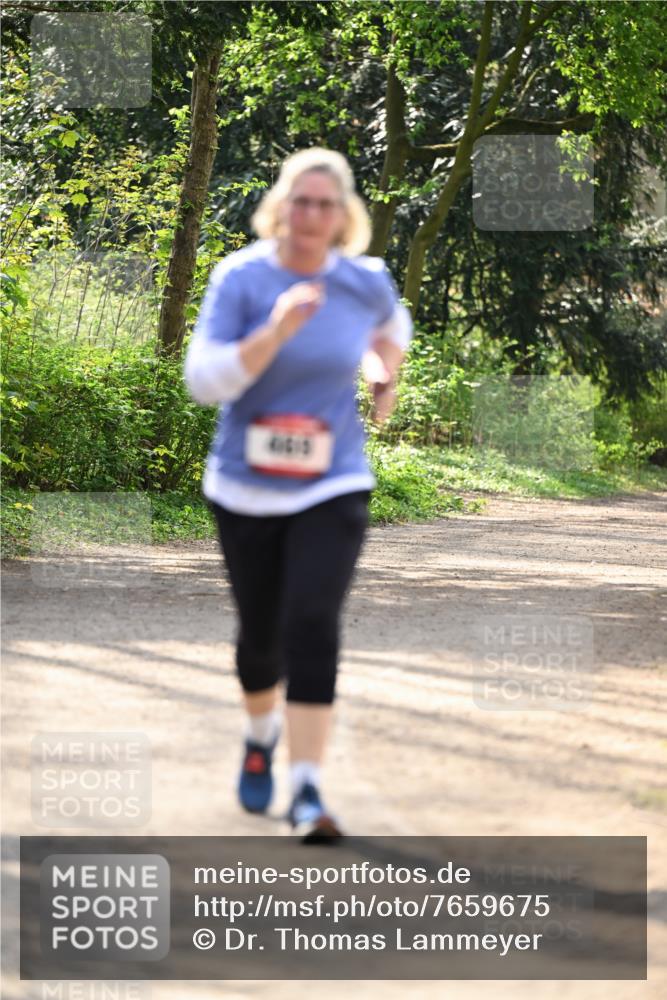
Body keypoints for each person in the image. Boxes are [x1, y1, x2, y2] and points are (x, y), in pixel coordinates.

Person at [184, 147, 413, 842]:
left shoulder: (364, 280)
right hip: (245, 484)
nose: (311, 215)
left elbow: (391, 330)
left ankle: (307, 789)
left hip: (332, 479)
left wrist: (385, 374)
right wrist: (276, 329)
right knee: (259, 638)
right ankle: (260, 735)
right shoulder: (242, 279)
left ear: (344, 217)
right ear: (280, 207)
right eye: (301, 201)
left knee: (311, 621)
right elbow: (204, 381)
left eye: (326, 204)